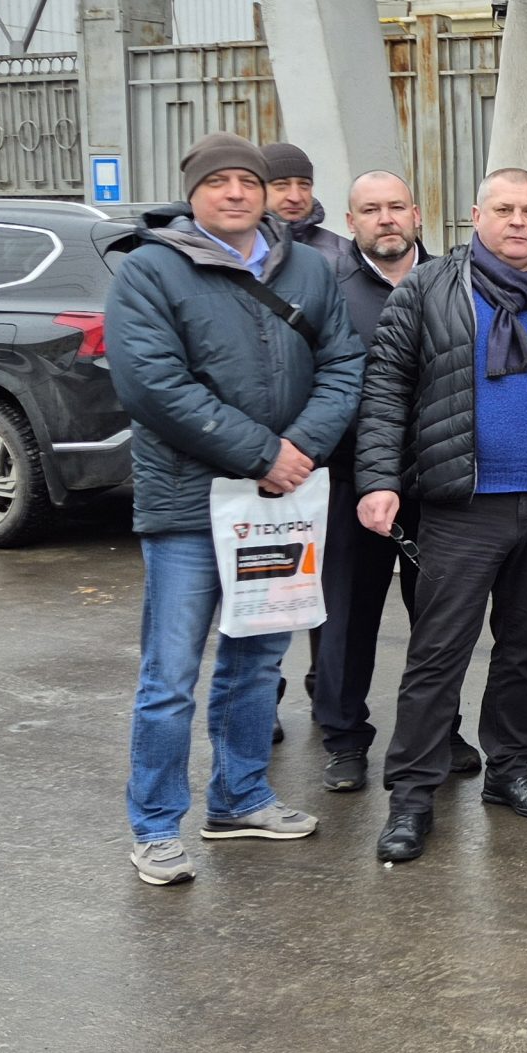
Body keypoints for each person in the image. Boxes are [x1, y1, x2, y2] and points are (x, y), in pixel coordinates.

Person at [107, 133, 362, 886]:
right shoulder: (150, 269)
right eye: (217, 181)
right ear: (193, 193)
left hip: (280, 504)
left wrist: (300, 449)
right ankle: (156, 826)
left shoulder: (306, 268)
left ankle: (240, 797)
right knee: (170, 675)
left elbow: (344, 363)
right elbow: (152, 383)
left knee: (256, 661)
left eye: (246, 181)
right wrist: (262, 453)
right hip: (190, 505)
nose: (234, 192)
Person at [356, 168, 527, 864]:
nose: (517, 221)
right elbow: (386, 388)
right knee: (437, 655)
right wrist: (379, 479)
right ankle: (411, 797)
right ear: (475, 216)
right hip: (460, 505)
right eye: (503, 208)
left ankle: (509, 769)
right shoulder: (428, 289)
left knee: (523, 651)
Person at [310, 169, 481, 793]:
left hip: (437, 484)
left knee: (439, 621)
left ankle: (441, 730)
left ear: (417, 214)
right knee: (346, 617)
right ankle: (344, 738)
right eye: (370, 209)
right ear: (350, 222)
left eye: (396, 207)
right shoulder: (329, 293)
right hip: (351, 482)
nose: (385, 219)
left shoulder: (457, 283)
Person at [262, 141, 352, 268]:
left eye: (304, 185)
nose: (295, 197)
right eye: (281, 185)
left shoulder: (344, 254)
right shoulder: (240, 250)